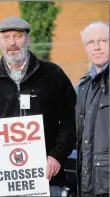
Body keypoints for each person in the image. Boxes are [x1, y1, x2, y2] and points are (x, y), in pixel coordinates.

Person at [0, 17, 76, 196]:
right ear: (0, 42)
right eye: (6, 37)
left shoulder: (53, 75)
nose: (12, 42)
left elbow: (72, 119)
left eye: (17, 36)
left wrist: (56, 155)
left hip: (47, 178)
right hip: (3, 182)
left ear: (27, 39)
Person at [76, 21, 109, 197]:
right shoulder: (83, 87)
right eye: (90, 42)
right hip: (88, 186)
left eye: (103, 40)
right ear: (85, 47)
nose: (97, 47)